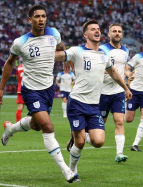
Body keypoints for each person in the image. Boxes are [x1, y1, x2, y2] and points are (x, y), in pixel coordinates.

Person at [0, 4, 78, 183]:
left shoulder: (54, 34)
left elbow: (60, 45)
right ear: (30, 20)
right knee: (48, 127)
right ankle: (67, 171)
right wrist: (1, 88)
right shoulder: (20, 42)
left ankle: (10, 129)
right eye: (37, 16)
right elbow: (10, 63)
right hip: (31, 90)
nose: (41, 19)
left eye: (43, 16)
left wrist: (66, 58)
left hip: (48, 89)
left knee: (35, 124)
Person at [55, 19, 132, 180]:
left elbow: (113, 73)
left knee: (98, 142)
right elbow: (60, 56)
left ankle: (78, 135)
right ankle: (72, 170)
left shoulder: (104, 55)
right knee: (80, 143)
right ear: (85, 34)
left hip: (94, 106)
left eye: (98, 29)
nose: (97, 31)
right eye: (92, 29)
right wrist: (50, 52)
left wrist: (125, 88)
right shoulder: (77, 51)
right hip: (76, 103)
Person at [98, 23, 130, 163]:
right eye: (114, 31)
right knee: (100, 124)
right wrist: (105, 71)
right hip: (102, 92)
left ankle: (119, 153)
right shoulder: (102, 49)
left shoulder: (126, 51)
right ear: (109, 34)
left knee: (119, 122)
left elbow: (123, 69)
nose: (117, 33)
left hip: (118, 92)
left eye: (119, 31)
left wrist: (128, 77)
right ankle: (77, 136)